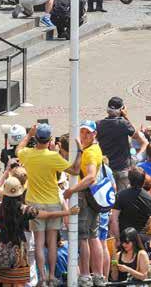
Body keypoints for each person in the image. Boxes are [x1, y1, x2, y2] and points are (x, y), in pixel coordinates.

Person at [16, 123, 78, 287]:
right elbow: (74, 171)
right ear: (50, 140)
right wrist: (79, 152)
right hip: (53, 202)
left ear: (36, 138)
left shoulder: (27, 154)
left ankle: (42, 277)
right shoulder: (53, 157)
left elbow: (18, 149)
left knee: (38, 242)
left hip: (34, 202)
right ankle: (51, 275)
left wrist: (28, 135)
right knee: (52, 243)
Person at [62, 120, 105, 287]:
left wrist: (72, 190)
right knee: (93, 236)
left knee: (84, 237)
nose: (85, 135)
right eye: (82, 132)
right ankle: (99, 275)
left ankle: (86, 275)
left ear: (94, 134)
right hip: (93, 197)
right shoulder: (92, 149)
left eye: (88, 132)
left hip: (85, 196)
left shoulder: (91, 153)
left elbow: (91, 176)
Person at [110, 167, 151, 245]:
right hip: (144, 239)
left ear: (129, 180)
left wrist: (117, 239)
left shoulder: (120, 196)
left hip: (125, 239)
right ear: (143, 181)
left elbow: (114, 219)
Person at [95, 96, 136, 191]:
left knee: (108, 194)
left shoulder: (99, 124)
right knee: (122, 195)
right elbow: (134, 134)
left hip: (106, 167)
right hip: (122, 167)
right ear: (121, 109)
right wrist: (125, 116)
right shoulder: (123, 123)